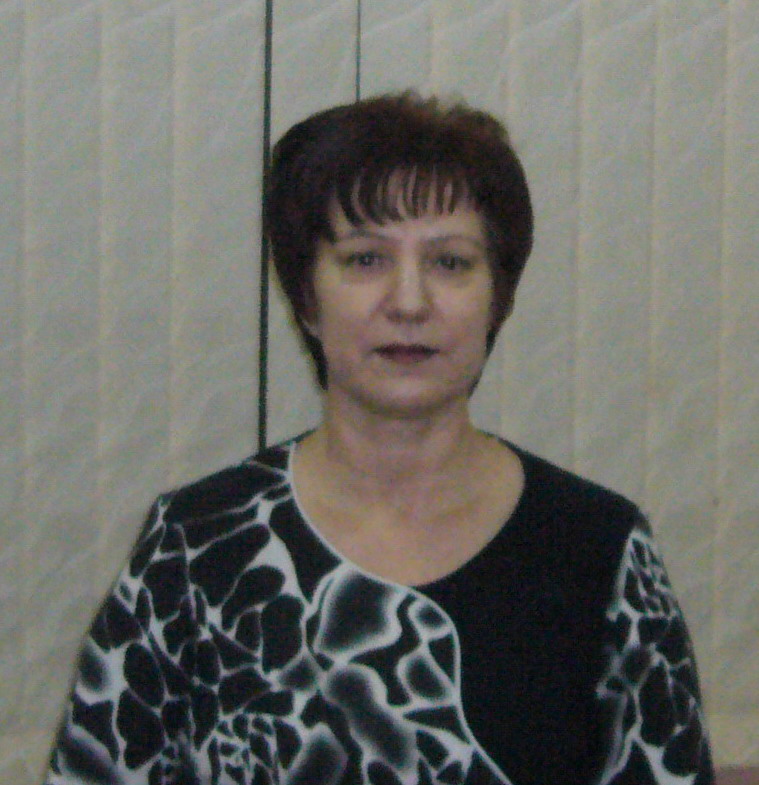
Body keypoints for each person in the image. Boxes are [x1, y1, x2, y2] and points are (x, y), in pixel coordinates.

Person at [45, 93, 714, 785]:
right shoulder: (194, 548)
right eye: (365, 259)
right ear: (307, 298)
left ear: (498, 297)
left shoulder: (600, 550)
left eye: (450, 263)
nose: (409, 302)